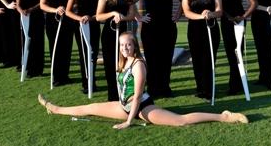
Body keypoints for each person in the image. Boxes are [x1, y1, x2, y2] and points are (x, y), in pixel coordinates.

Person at [38, 32, 248, 128]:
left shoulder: (139, 64)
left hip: (140, 108)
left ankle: (224, 116)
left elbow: (137, 96)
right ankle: (55, 108)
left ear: (135, 46)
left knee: (179, 121)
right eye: (122, 46)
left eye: (128, 45)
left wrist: (129, 121)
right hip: (124, 106)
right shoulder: (122, 62)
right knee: (90, 106)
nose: (125, 48)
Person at [133, 0, 183, 98]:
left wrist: (178, 14)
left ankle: (165, 89)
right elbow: (129, 1)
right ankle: (152, 90)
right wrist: (138, 16)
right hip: (150, 29)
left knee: (166, 59)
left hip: (168, 28)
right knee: (152, 59)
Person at [215, 0, 257, 95]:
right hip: (226, 21)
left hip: (239, 21)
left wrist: (243, 17)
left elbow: (254, 3)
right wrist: (227, 17)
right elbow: (218, 5)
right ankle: (235, 83)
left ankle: (236, 84)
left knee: (238, 52)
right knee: (229, 53)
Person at [182, 0, 222, 100]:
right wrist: (201, 16)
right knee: (197, 61)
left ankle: (209, 89)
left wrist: (211, 14)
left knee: (209, 60)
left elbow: (220, 11)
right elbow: (186, 12)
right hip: (194, 30)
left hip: (211, 29)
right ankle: (200, 89)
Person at [96, 0, 135, 101]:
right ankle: (112, 96)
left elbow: (131, 15)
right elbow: (98, 16)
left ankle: (124, 93)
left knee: (123, 64)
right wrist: (113, 13)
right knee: (110, 65)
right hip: (109, 35)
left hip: (123, 36)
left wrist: (122, 18)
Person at [66, 0, 104, 94]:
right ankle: (86, 84)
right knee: (83, 55)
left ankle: (92, 82)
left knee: (92, 54)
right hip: (80, 26)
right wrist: (80, 19)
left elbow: (104, 9)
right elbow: (68, 11)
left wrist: (92, 18)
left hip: (94, 25)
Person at [40, 0, 75, 86]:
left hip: (68, 21)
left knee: (66, 49)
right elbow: (43, 5)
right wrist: (55, 10)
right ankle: (56, 77)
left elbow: (75, 2)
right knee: (55, 48)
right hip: (52, 21)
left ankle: (65, 76)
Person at [15, 0, 45, 77]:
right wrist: (21, 11)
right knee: (27, 44)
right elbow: (18, 4)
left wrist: (31, 9)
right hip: (25, 18)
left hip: (38, 18)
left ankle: (39, 69)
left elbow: (42, 3)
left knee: (38, 43)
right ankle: (29, 69)